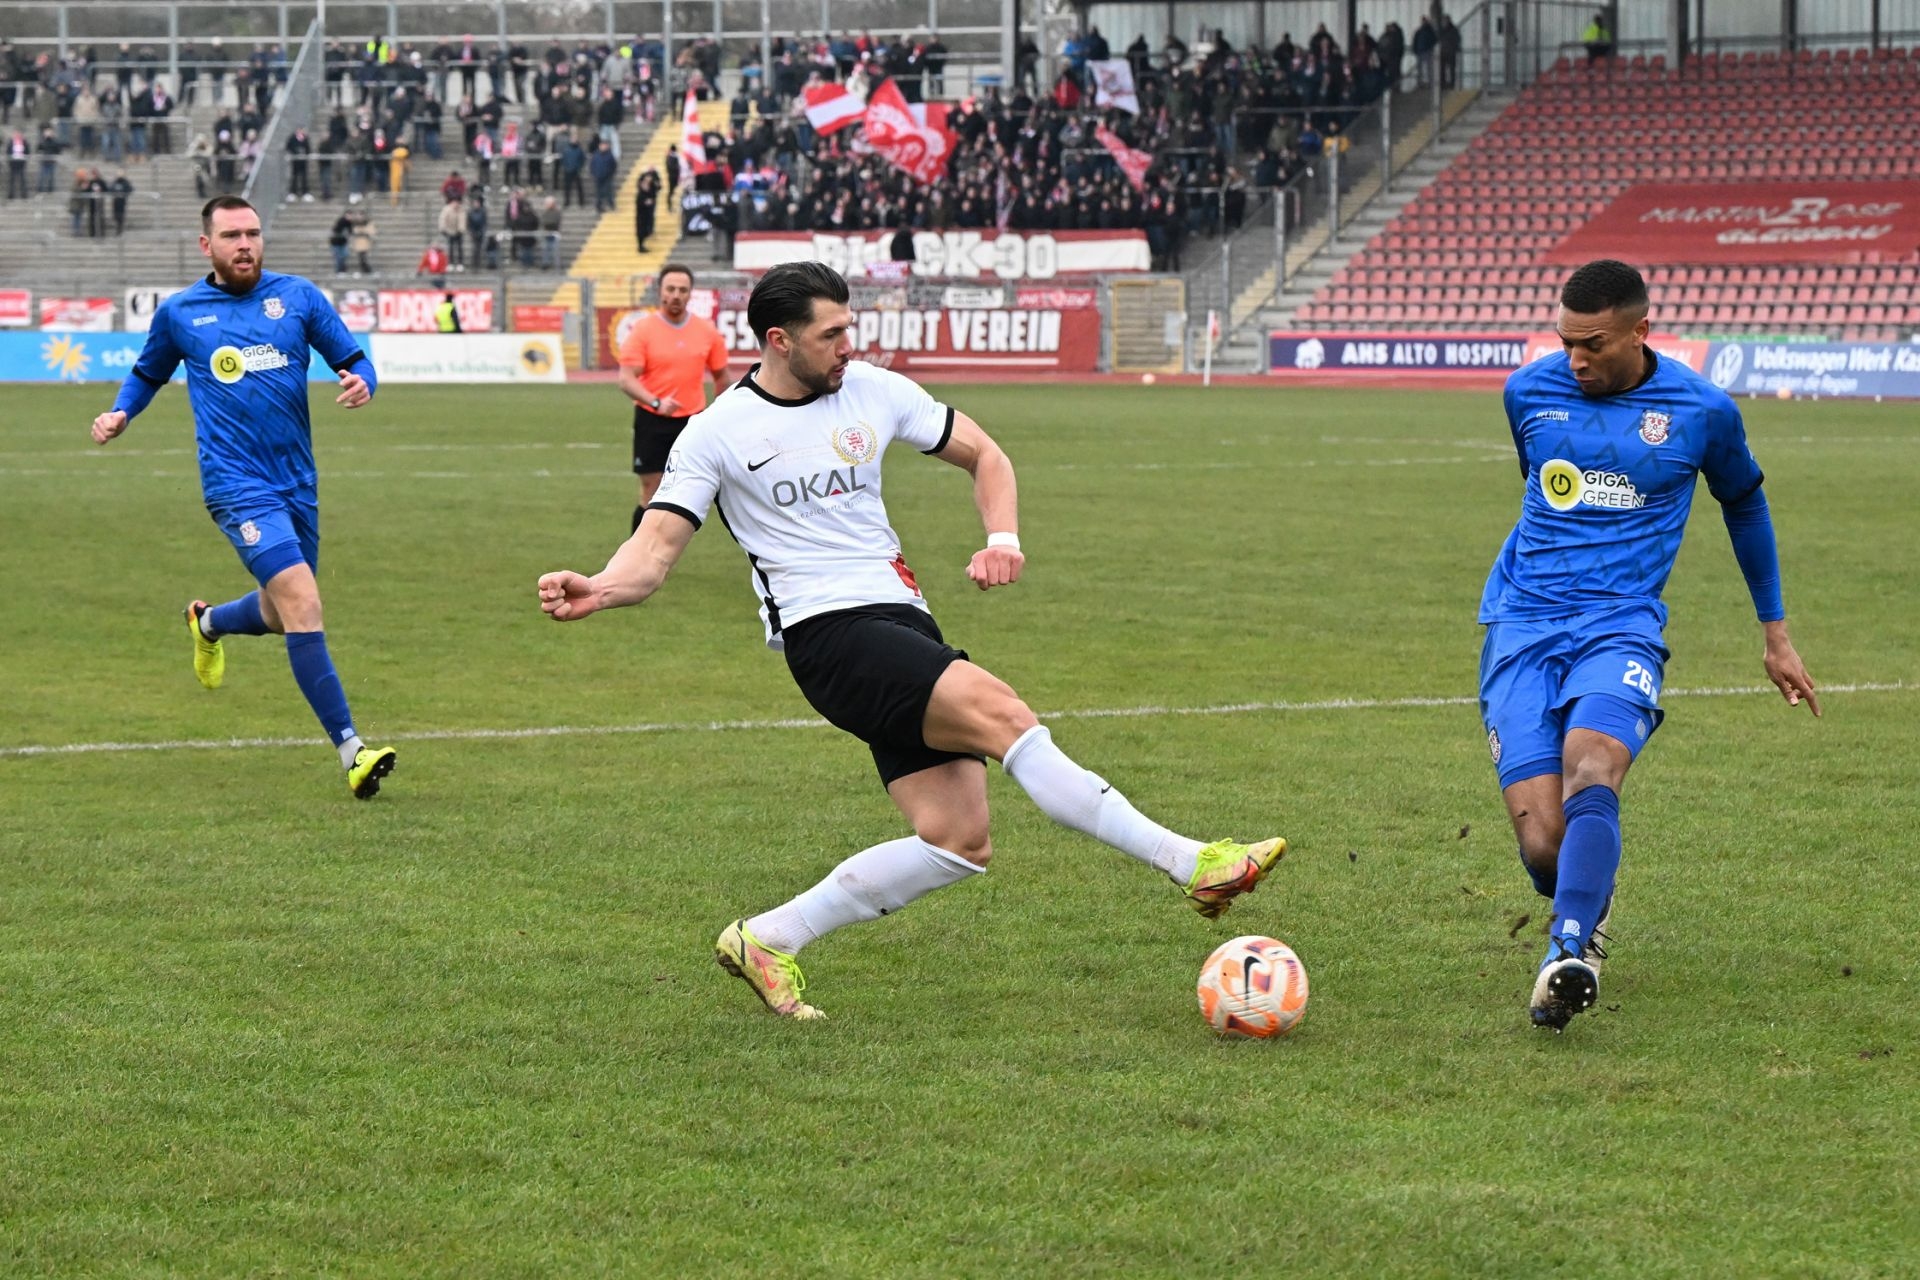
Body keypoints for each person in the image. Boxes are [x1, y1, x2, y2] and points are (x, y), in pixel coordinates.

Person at [537, 262, 1285, 1020]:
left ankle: (767, 938)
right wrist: (600, 586)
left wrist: (1003, 537)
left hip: (902, 621)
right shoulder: (716, 432)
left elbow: (986, 455)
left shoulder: (872, 389)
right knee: (1005, 715)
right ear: (779, 340)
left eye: (849, 328)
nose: (847, 346)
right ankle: (1193, 863)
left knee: (958, 840)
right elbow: (655, 549)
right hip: (829, 634)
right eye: (831, 334)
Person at [1480, 259, 1818, 1033]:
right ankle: (1583, 899)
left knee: (1593, 764)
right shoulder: (1527, 392)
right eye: (1566, 342)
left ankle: (1568, 951)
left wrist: (1775, 633)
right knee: (1544, 845)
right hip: (1522, 625)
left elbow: (1744, 505)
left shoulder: (1702, 412)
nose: (1575, 360)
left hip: (1621, 624)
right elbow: (1539, 483)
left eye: (1593, 344)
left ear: (1640, 330)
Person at [89, 196, 397, 800]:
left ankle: (207, 622)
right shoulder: (181, 313)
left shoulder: (298, 297)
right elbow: (148, 373)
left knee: (282, 615)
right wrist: (121, 412)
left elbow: (355, 359)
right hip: (235, 484)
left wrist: (363, 382)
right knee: (304, 603)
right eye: (232, 235)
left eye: (253, 233)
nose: (246, 244)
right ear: (207, 245)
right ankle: (353, 752)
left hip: (297, 481)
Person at [616, 264, 731, 530]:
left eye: (682, 290)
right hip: (652, 419)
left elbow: (722, 376)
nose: (676, 295)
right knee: (651, 490)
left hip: (692, 422)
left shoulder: (706, 331)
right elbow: (626, 378)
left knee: (699, 492)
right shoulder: (643, 330)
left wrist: (719, 414)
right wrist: (656, 402)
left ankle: (669, 546)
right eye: (671, 289)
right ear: (660, 291)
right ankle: (638, 553)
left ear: (690, 293)